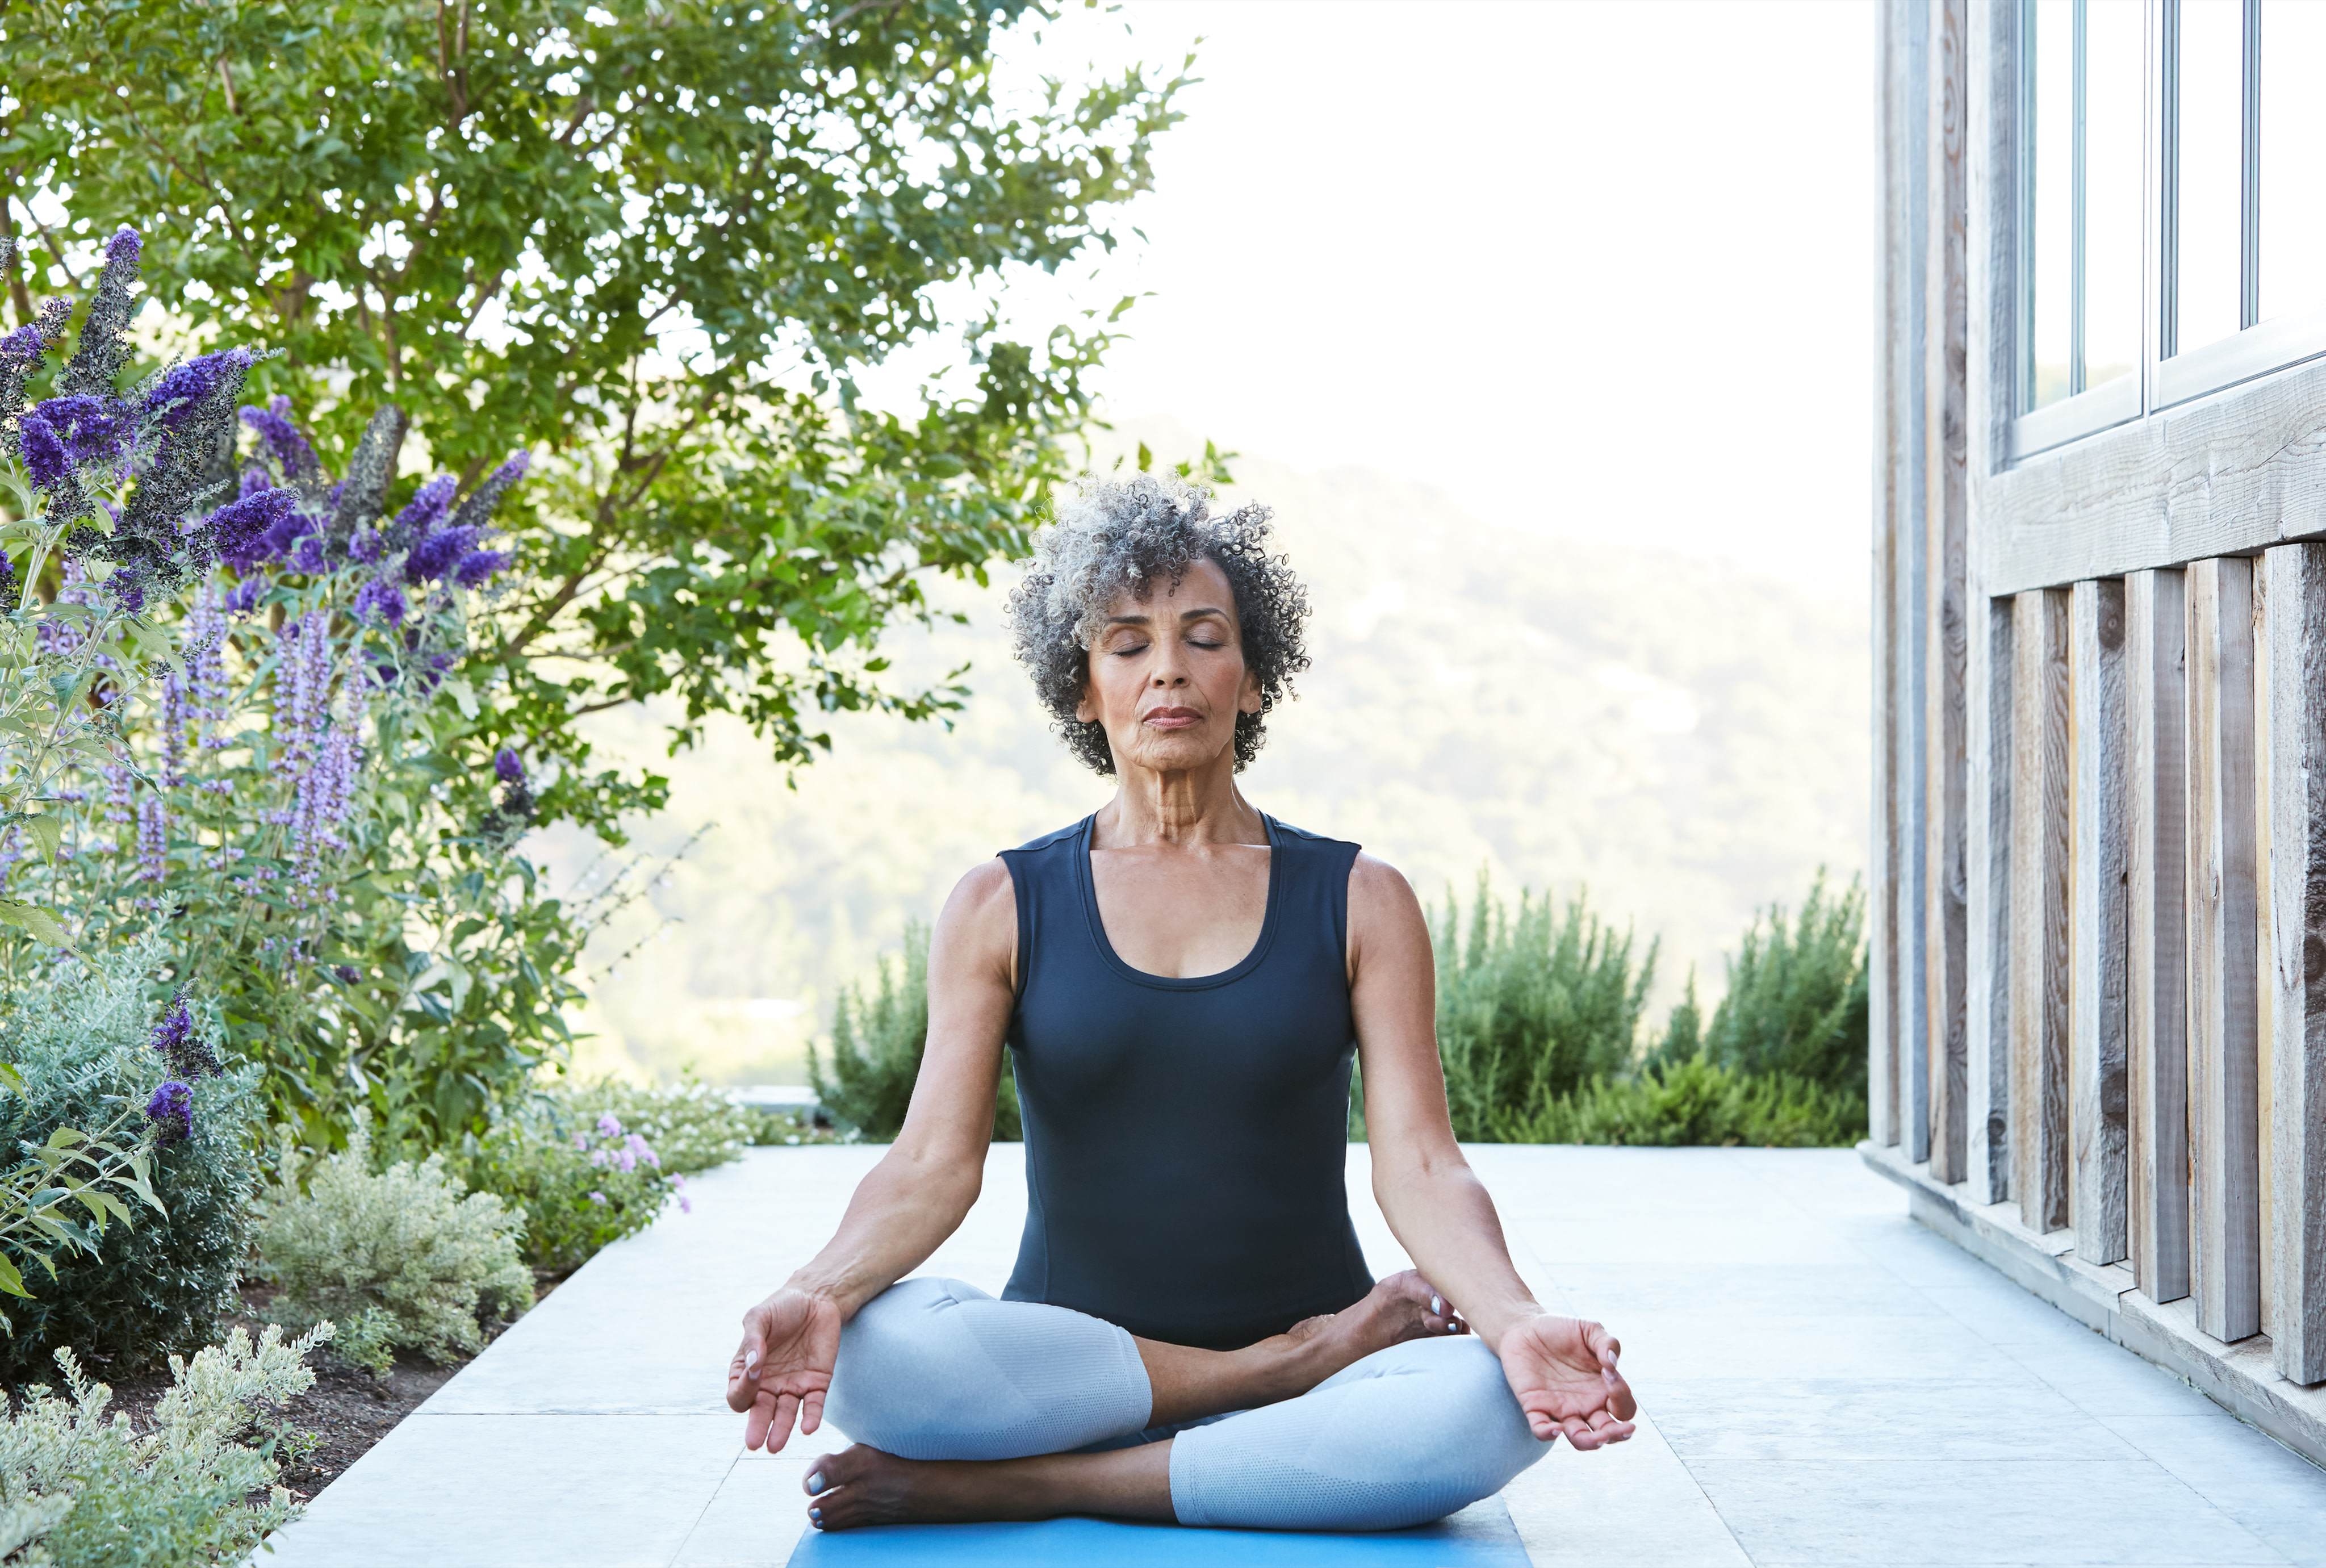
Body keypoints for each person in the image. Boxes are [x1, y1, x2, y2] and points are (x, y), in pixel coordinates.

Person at [725, 474, 1637, 1534]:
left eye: (1204, 638)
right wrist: (818, 1289)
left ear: (1253, 679)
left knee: (1493, 1404)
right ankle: (1257, 1384)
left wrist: (1516, 1318)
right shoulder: (1000, 903)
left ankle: (1032, 1483)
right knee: (869, 1353)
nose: (1168, 668)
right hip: (1069, 1374)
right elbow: (930, 1163)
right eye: (1127, 645)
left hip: (1321, 1378)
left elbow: (1424, 1165)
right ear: (1083, 689)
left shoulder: (1361, 898)